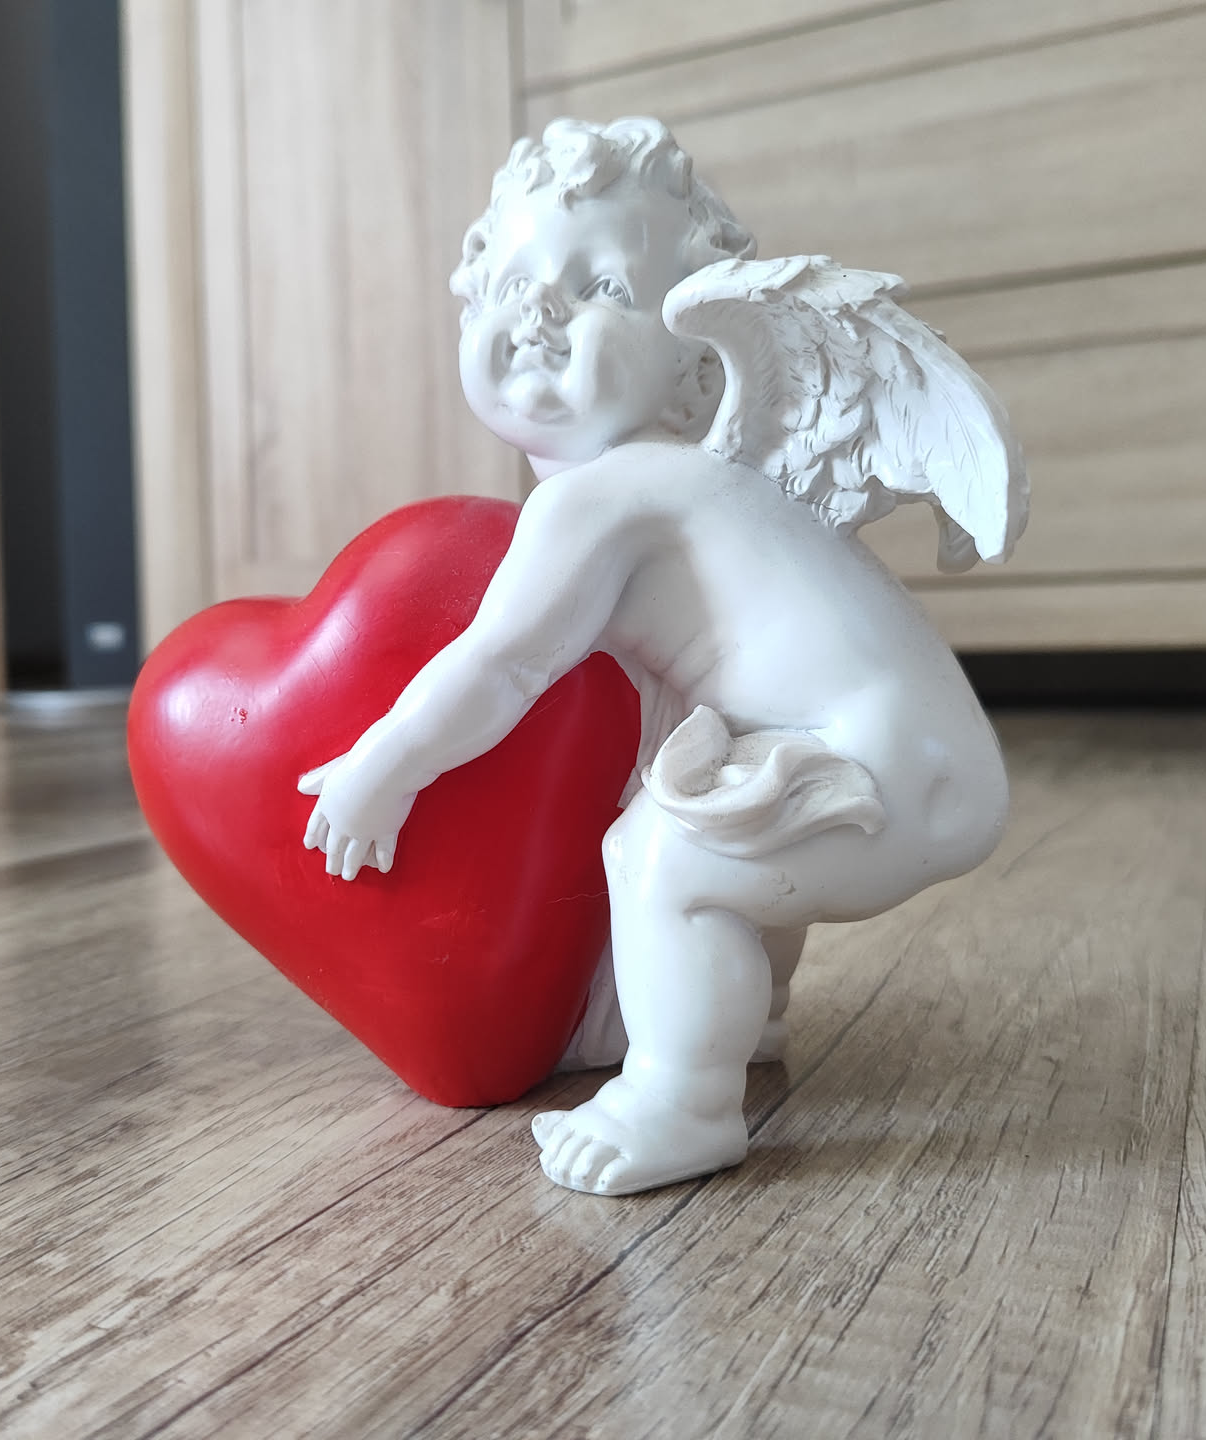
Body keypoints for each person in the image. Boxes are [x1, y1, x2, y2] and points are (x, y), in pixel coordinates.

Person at [299, 118, 1020, 1195]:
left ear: (693, 366)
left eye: (599, 288)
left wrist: (384, 766)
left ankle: (682, 1101)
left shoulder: (606, 496)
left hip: (885, 762)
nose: (541, 313)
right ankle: (747, 1016)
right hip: (918, 748)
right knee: (715, 800)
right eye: (513, 284)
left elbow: (502, 667)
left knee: (664, 860)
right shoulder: (700, 481)